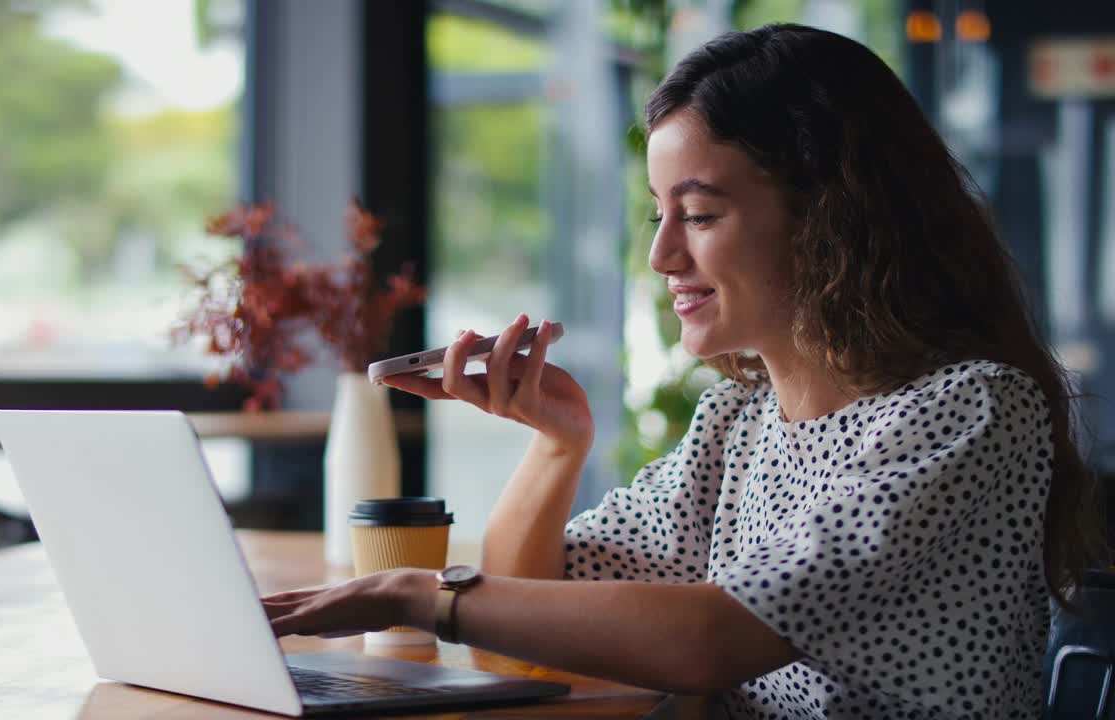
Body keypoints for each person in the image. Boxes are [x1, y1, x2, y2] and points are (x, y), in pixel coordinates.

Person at [261, 23, 1108, 718]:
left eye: (699, 214)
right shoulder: (738, 425)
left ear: (833, 219)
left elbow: (714, 640)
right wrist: (557, 446)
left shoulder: (973, 411)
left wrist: (419, 593)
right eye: (659, 213)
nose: (663, 253)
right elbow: (524, 616)